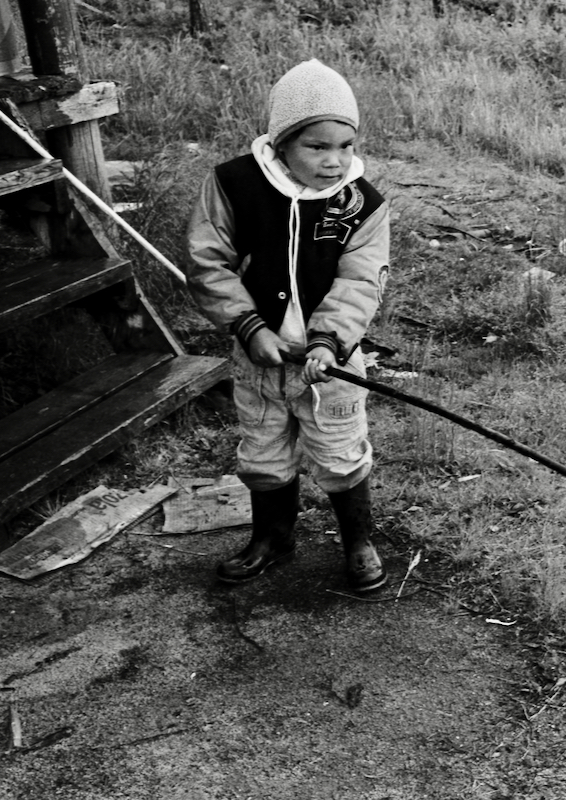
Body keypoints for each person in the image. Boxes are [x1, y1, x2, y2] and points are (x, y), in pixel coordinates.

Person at [186, 59, 390, 593]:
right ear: (281, 144)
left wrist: (329, 342)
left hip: (332, 362)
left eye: (345, 145)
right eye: (316, 147)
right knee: (263, 452)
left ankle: (358, 542)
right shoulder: (233, 184)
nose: (334, 161)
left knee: (341, 451)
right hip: (258, 356)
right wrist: (249, 327)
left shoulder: (362, 203)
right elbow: (208, 262)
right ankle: (272, 539)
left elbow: (361, 281)